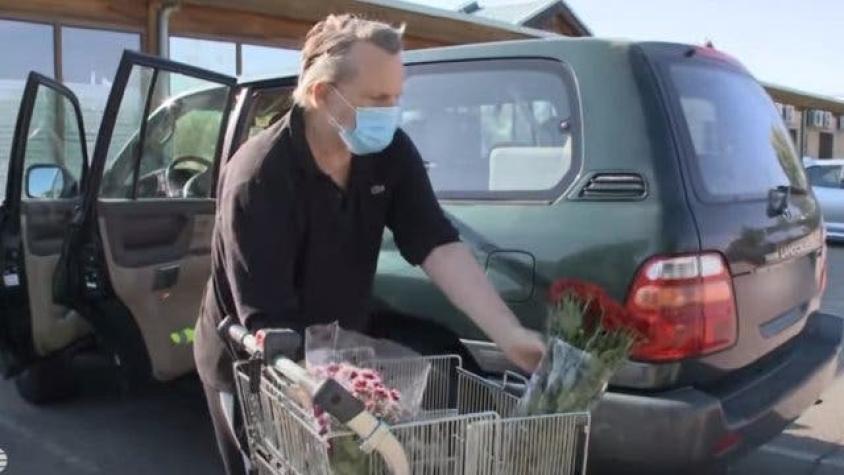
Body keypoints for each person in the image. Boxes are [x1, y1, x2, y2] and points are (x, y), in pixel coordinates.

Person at [193, 14, 545, 475]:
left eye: (398, 98)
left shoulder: (390, 152)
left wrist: (509, 334)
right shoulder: (259, 176)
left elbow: (436, 243)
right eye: (378, 99)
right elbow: (268, 323)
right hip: (256, 368)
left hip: (335, 358)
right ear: (322, 95)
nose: (392, 112)